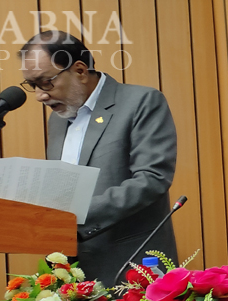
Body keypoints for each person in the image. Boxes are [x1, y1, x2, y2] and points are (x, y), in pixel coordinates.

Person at [18, 31, 178, 287]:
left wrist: (73, 216)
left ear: (80, 70)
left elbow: (152, 179)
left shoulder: (141, 102)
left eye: (46, 82)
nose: (40, 95)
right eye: (32, 85)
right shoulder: (58, 120)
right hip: (70, 273)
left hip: (130, 267)